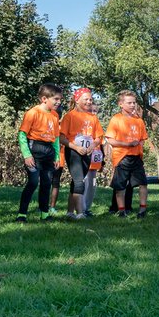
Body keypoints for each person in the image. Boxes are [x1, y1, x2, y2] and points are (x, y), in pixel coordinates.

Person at [16, 83, 63, 222]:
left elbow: (56, 138)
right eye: (56, 99)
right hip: (34, 150)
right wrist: (27, 155)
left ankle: (44, 213)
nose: (59, 102)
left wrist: (56, 156)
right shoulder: (33, 113)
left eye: (60, 99)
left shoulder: (55, 115)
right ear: (44, 99)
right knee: (33, 181)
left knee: (47, 183)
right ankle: (22, 214)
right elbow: (22, 135)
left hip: (48, 152)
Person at [58, 88, 103, 220]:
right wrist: (76, 147)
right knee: (79, 182)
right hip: (73, 152)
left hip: (87, 152)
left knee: (75, 182)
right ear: (77, 100)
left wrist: (92, 146)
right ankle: (80, 213)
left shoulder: (93, 118)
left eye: (91, 99)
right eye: (86, 99)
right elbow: (61, 137)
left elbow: (98, 137)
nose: (89, 102)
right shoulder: (69, 116)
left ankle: (69, 212)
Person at [105, 90, 149, 218]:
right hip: (122, 157)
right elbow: (110, 140)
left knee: (143, 183)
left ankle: (142, 210)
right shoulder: (116, 119)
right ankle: (121, 210)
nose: (132, 105)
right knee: (121, 185)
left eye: (134, 103)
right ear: (121, 104)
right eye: (129, 103)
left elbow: (142, 138)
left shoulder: (139, 121)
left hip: (136, 157)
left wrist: (139, 144)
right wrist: (127, 144)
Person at [84, 101, 104, 216]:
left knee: (92, 184)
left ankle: (87, 208)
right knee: (84, 184)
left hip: (95, 160)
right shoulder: (84, 123)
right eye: (91, 110)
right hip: (84, 158)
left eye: (95, 111)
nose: (93, 113)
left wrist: (102, 161)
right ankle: (81, 208)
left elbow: (101, 144)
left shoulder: (97, 124)